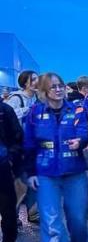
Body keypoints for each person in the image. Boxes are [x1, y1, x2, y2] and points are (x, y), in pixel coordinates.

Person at [24, 73, 88, 242]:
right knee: (50, 218)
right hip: (45, 173)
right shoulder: (34, 113)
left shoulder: (77, 109)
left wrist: (80, 142)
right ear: (44, 91)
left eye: (61, 85)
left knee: (78, 217)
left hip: (74, 171)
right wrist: (30, 173)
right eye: (54, 87)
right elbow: (28, 144)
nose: (59, 89)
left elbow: (85, 132)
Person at [0, 100, 32, 242]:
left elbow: (17, 138)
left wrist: (11, 160)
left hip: (4, 169)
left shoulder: (5, 110)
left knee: (9, 213)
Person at [6, 70, 39, 223]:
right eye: (34, 79)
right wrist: (27, 110)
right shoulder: (16, 98)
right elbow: (6, 116)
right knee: (19, 183)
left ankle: (33, 212)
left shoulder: (38, 98)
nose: (37, 82)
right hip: (17, 147)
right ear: (25, 82)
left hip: (33, 146)